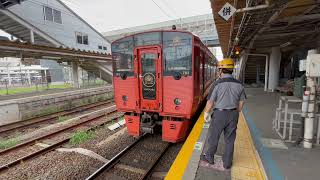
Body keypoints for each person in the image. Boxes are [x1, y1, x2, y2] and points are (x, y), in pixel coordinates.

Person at [200, 58, 246, 171]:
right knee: (230, 139)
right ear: (231, 70)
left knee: (214, 137)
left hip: (219, 114)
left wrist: (206, 113)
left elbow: (210, 101)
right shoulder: (239, 84)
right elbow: (242, 102)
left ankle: (209, 157)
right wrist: (237, 111)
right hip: (234, 114)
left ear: (221, 70)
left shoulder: (217, 83)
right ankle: (227, 163)